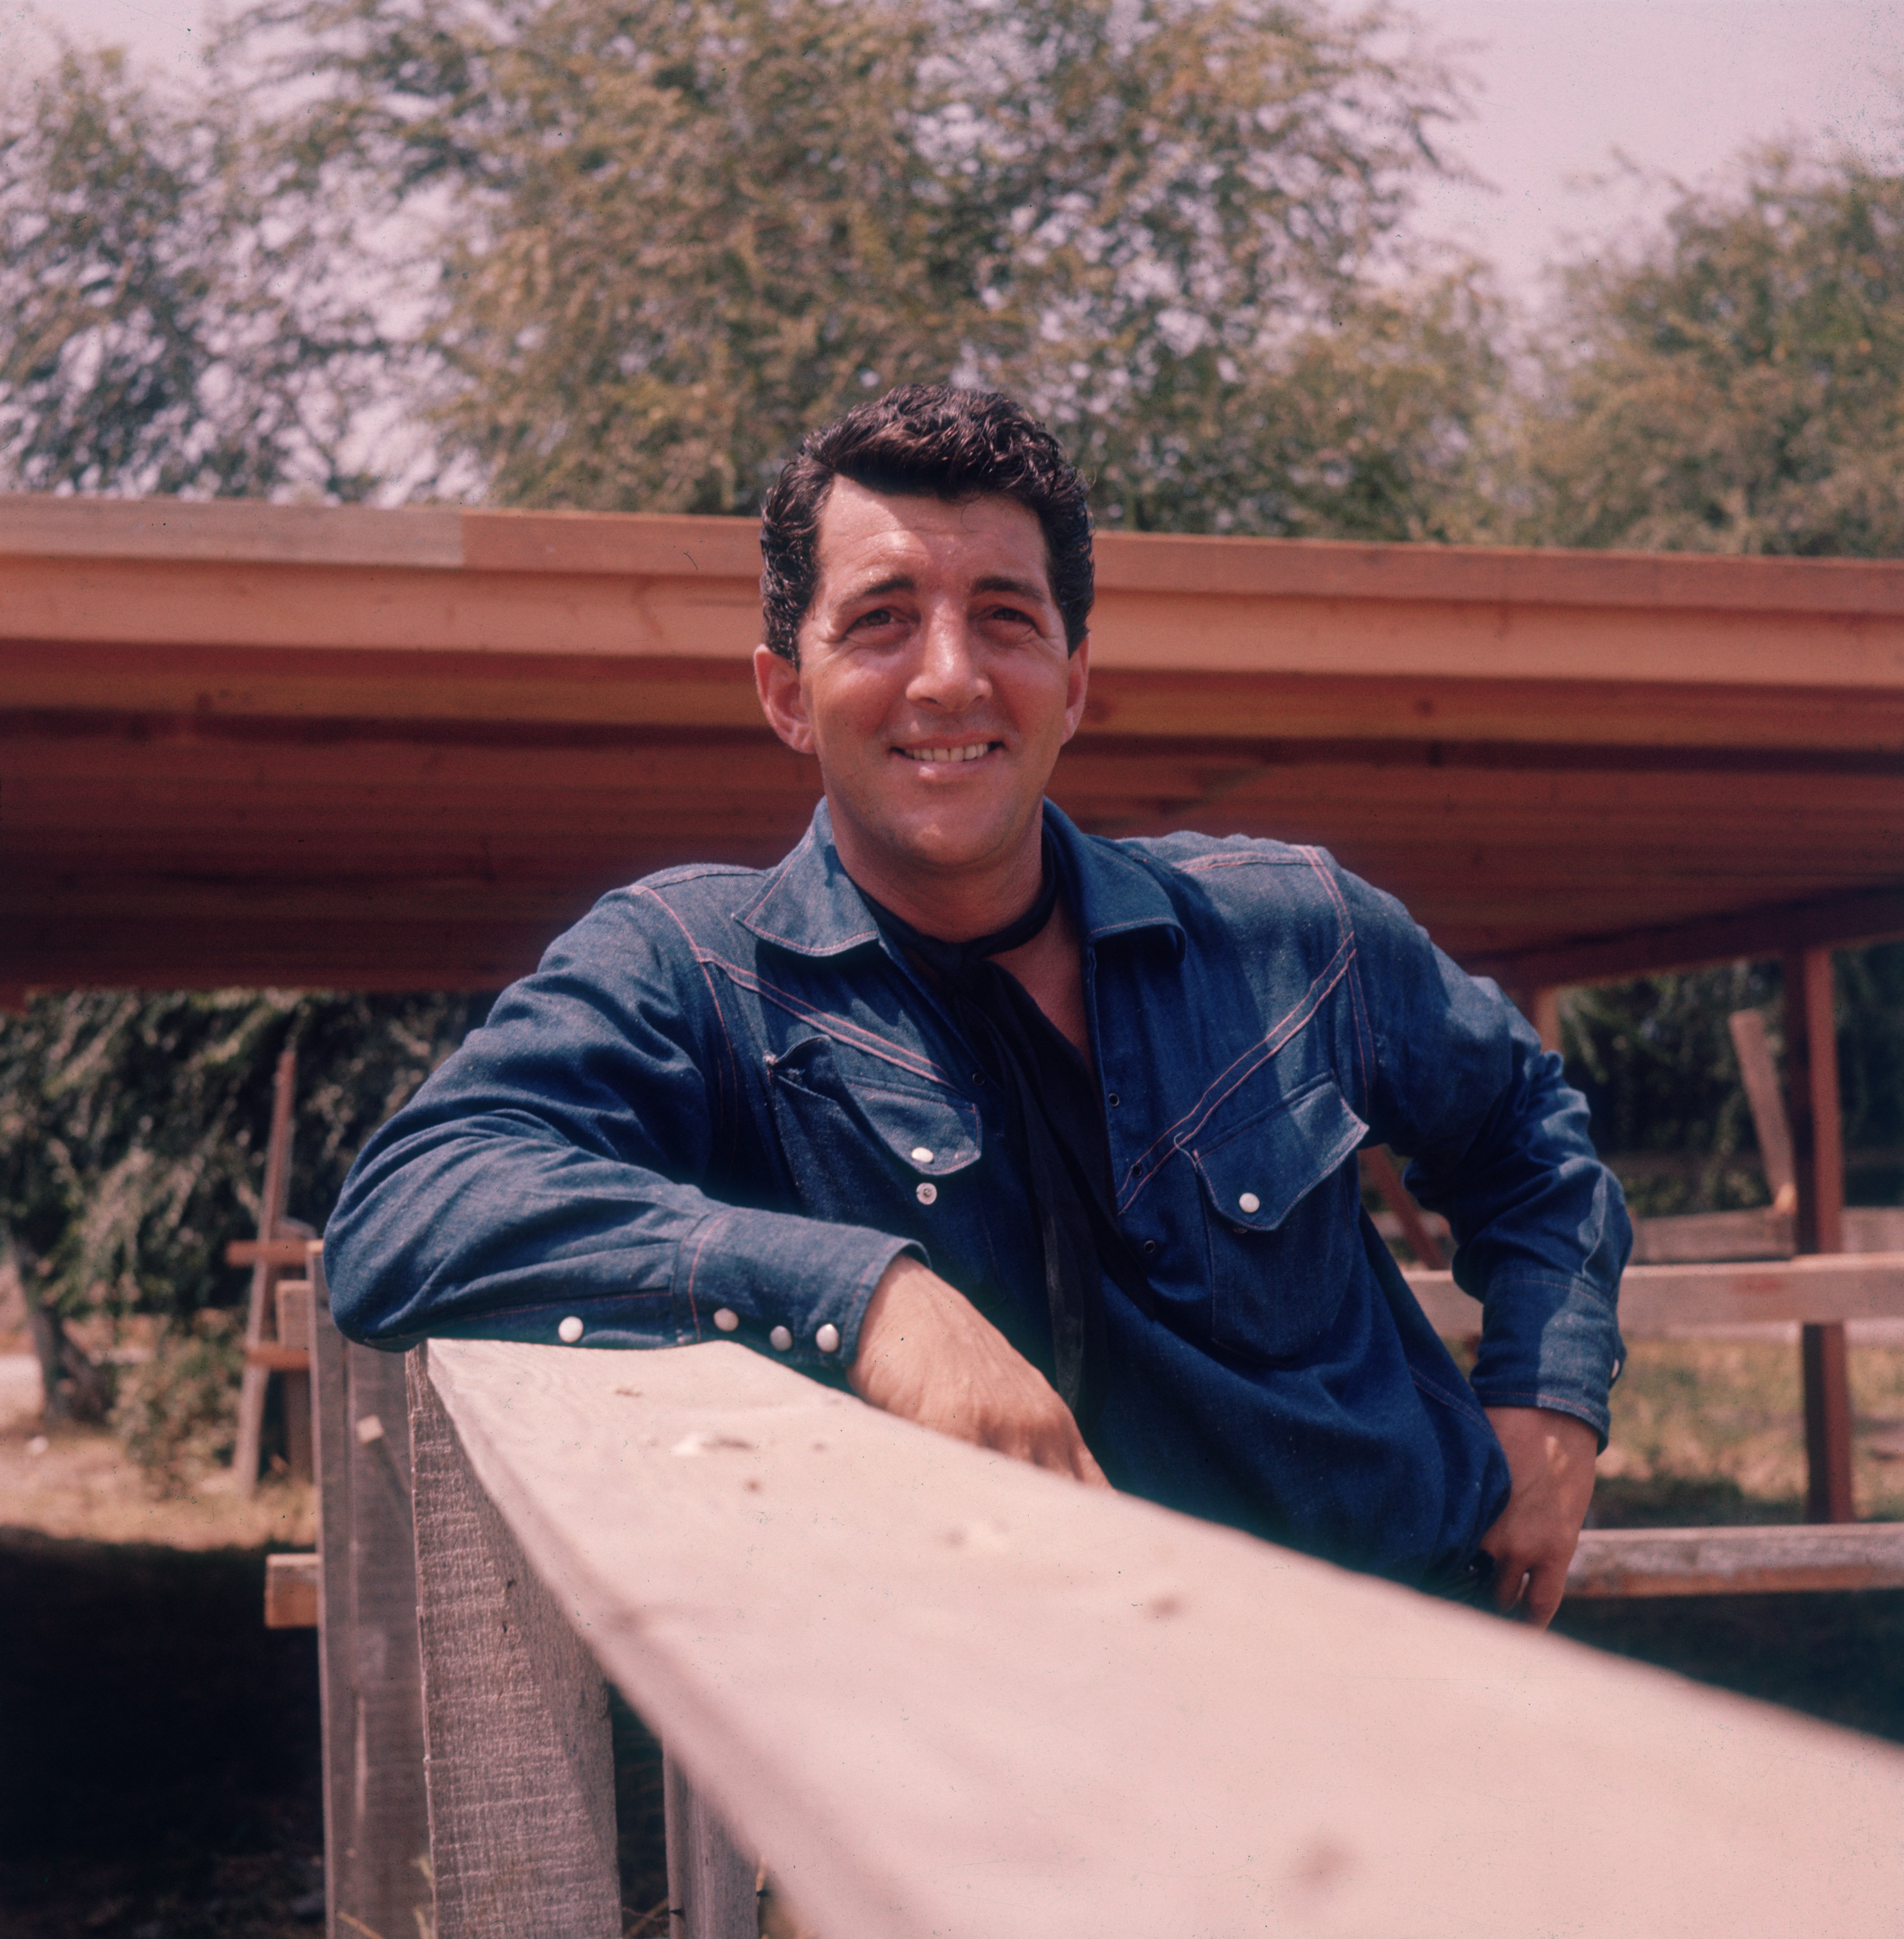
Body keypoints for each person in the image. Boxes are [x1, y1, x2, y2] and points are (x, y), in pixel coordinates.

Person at [326, 386, 1628, 1626]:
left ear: (1070, 683)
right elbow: (407, 1210)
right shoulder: (692, 969)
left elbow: (1530, 1143)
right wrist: (867, 1298)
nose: (949, 675)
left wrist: (1549, 1397)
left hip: (1403, 1673)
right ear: (787, 693)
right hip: (984, 1748)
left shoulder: (1296, 927)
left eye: (1004, 616)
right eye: (881, 618)